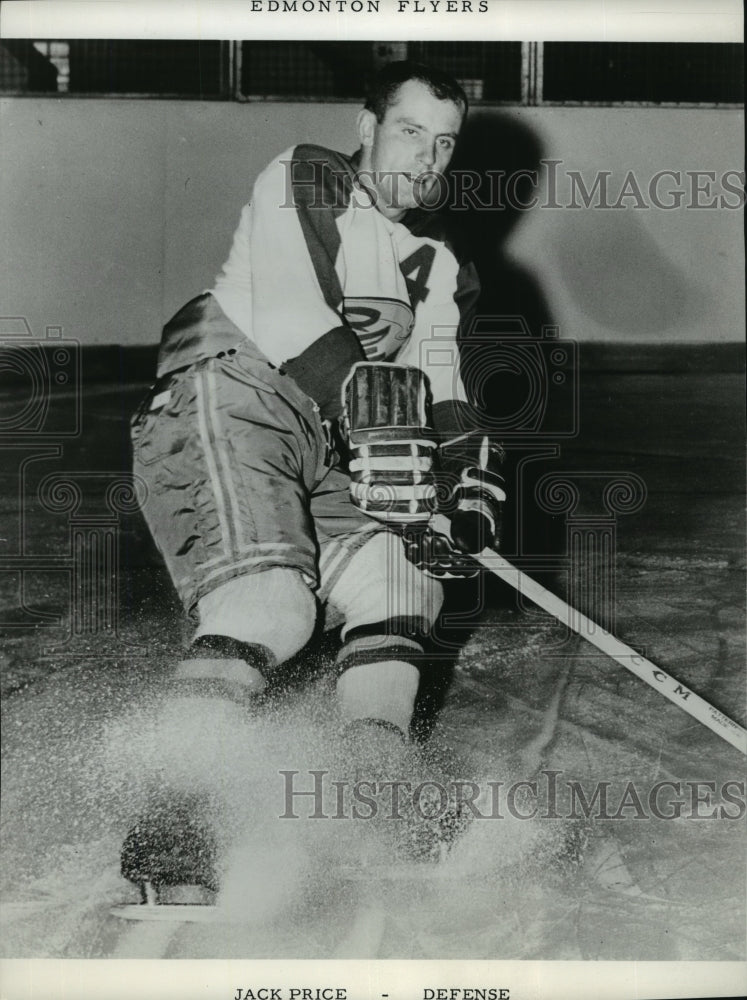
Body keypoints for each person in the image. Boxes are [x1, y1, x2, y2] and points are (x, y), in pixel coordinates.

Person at [123, 60, 506, 896]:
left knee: (402, 581)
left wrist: (467, 485)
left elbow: (442, 384)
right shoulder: (309, 173)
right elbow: (297, 316)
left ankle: (373, 791)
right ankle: (170, 814)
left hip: (341, 434)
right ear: (368, 129)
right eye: (410, 131)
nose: (427, 157)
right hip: (235, 392)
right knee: (271, 604)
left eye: (444, 143)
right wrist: (386, 431)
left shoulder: (439, 264)